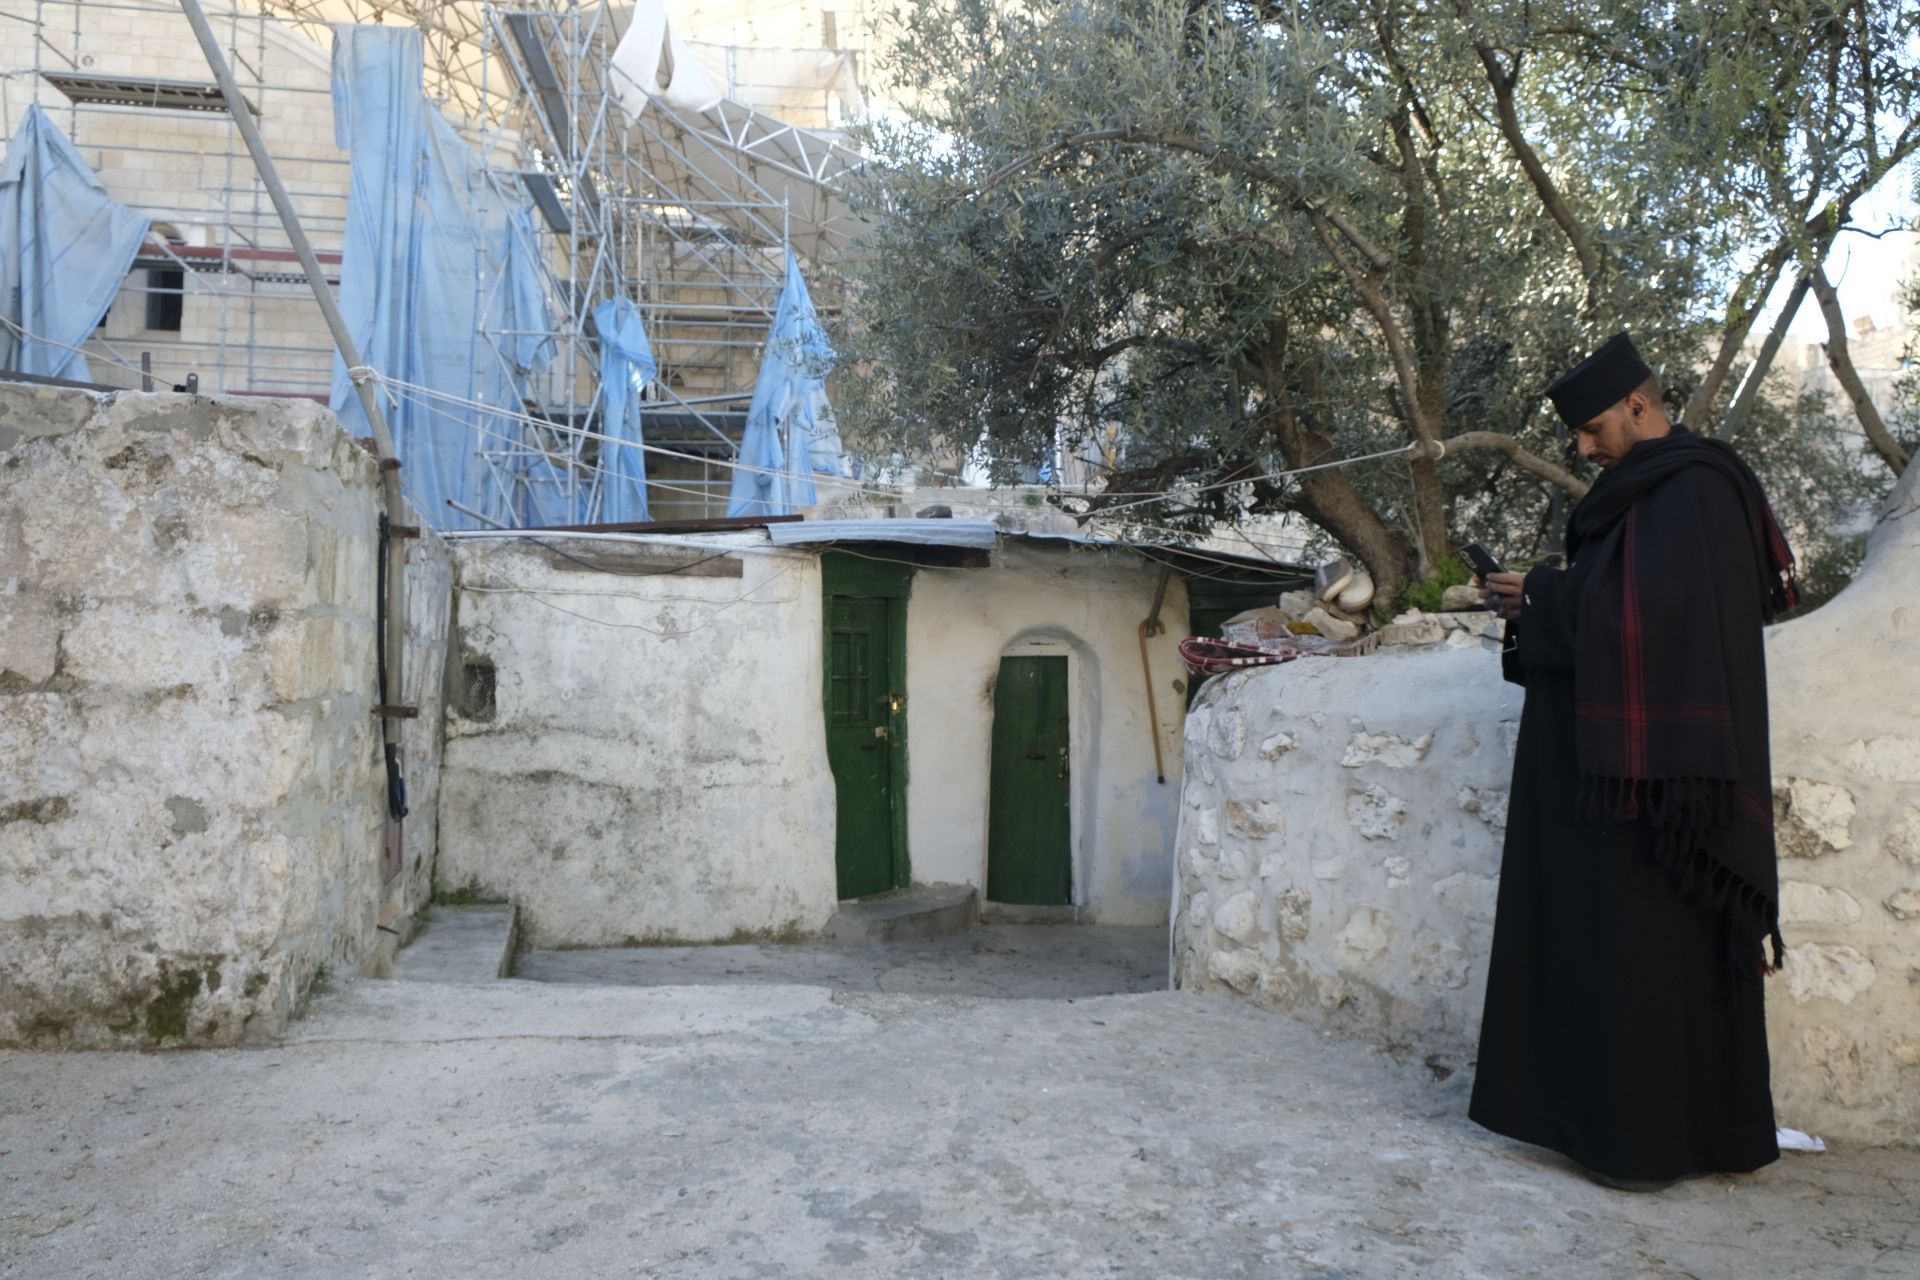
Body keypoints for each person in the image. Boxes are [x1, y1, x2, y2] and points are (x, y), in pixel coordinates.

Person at [1468, 332, 1798, 1190]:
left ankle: (1655, 1143)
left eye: (1591, 429)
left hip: (1671, 788)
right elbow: (1620, 600)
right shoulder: (1649, 494)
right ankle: (1603, 1128)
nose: (1583, 448)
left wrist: (1542, 591)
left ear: (1640, 407)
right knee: (1614, 957)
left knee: (1658, 961)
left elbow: (1661, 618)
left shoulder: (1695, 489)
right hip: (1625, 776)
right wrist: (1540, 593)